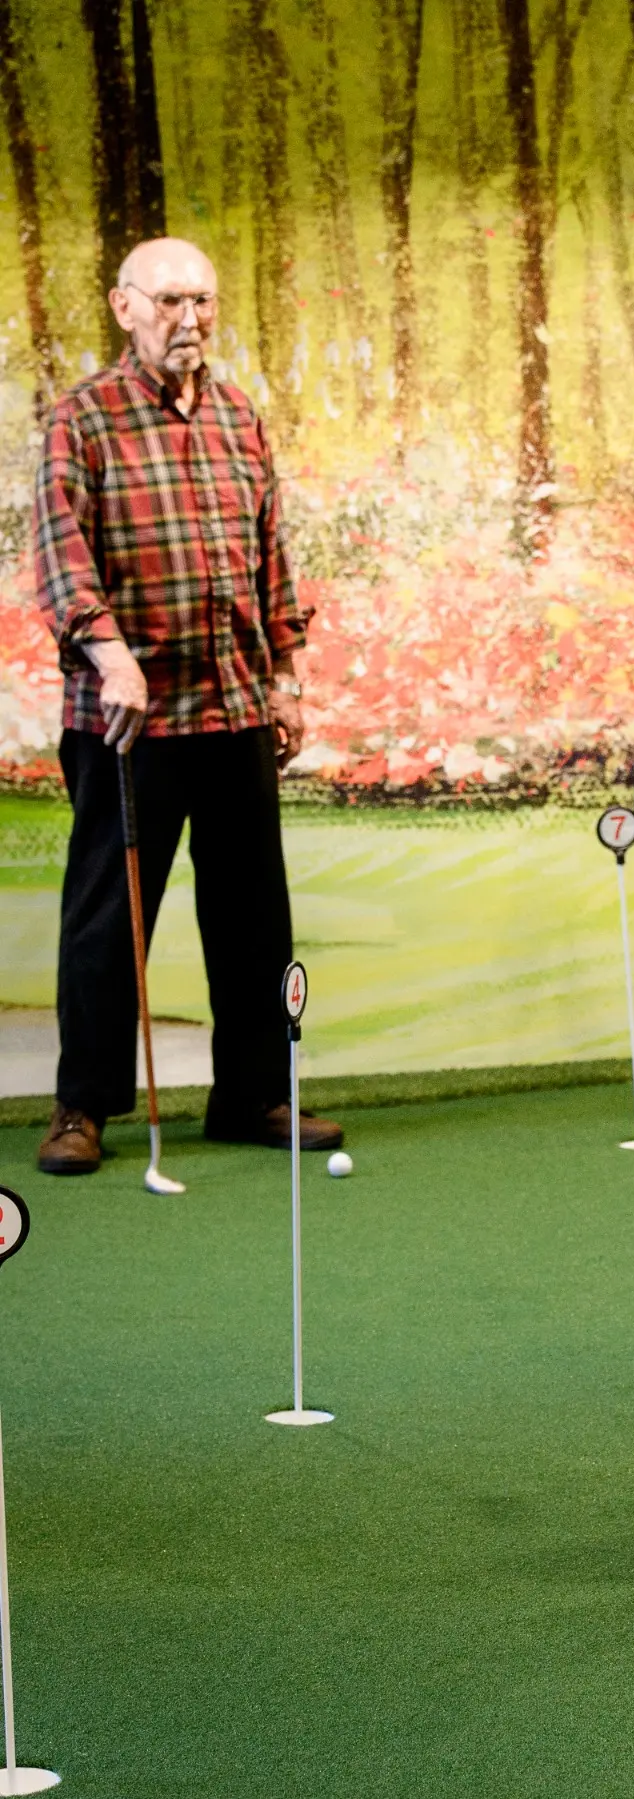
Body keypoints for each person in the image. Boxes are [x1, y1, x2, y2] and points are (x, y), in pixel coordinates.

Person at [32, 235, 342, 1175]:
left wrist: (286, 675)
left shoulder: (241, 417)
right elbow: (59, 551)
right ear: (125, 308)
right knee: (106, 918)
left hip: (237, 702)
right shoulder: (82, 421)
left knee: (255, 915)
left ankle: (252, 1094)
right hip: (129, 715)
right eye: (170, 300)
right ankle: (83, 1105)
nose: (191, 318)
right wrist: (110, 652)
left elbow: (271, 555)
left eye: (203, 300)